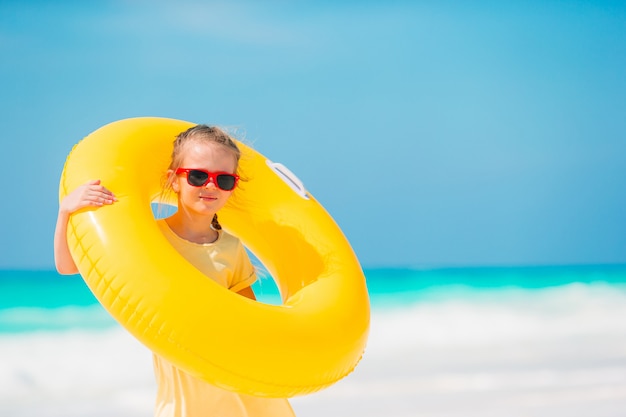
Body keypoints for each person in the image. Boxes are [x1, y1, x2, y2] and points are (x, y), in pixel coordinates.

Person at [54, 125, 296, 417]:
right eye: (197, 176)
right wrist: (66, 211)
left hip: (243, 398)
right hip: (184, 401)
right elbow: (67, 267)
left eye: (224, 180)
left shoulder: (231, 248)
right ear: (174, 180)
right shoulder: (148, 238)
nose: (210, 186)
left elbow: (249, 321)